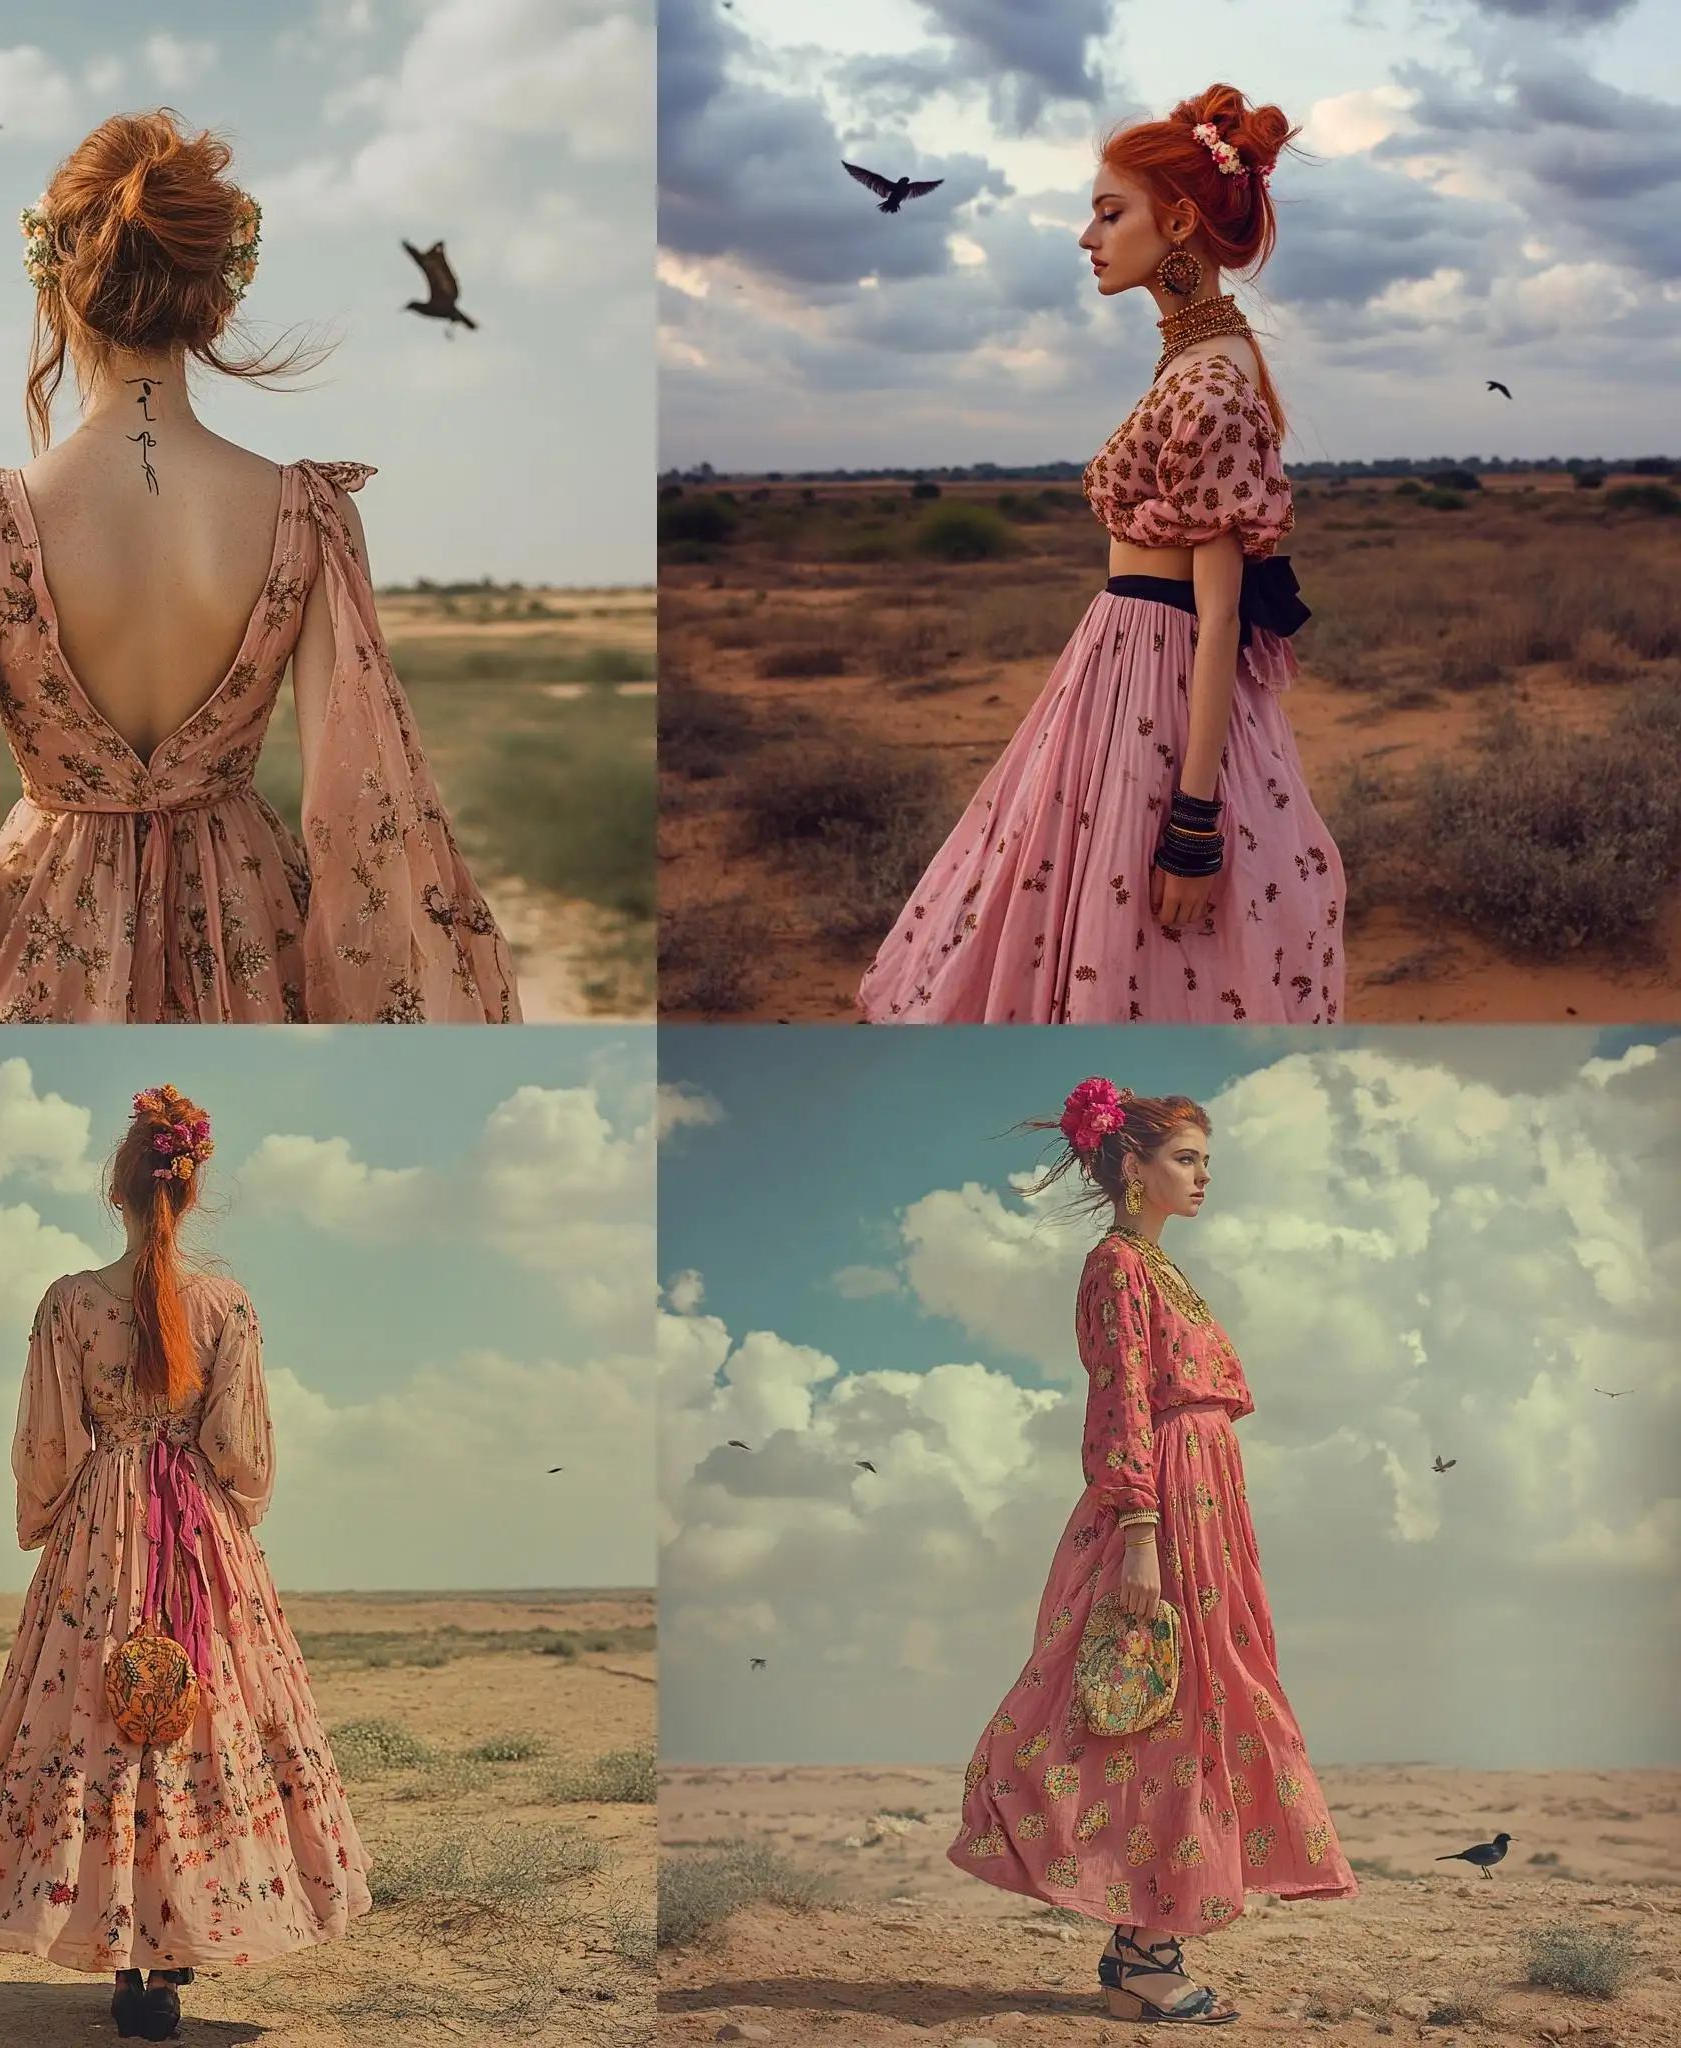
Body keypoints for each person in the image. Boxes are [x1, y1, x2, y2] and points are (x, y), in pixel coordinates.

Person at [0, 109, 519, 1026]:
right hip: (254, 932)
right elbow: (354, 808)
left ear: (55, 280)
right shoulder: (313, 515)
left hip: (41, 947)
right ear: (220, 292)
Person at [857, 86, 1342, 1026]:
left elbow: (1222, 619)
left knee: (1130, 943)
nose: (1088, 237)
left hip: (1152, 685)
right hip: (1122, 671)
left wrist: (1195, 825)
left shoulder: (1210, 381)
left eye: (1108, 212)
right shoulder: (1199, 357)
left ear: (1180, 220)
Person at [0, 1085, 369, 2040]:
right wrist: (229, 1520)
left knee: (100, 1719)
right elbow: (240, 1452)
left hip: (101, 1529)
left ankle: (129, 1961)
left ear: (119, 1192)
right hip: (198, 1539)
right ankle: (173, 1953)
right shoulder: (228, 1304)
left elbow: (47, 1448)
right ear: (193, 1185)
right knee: (203, 1717)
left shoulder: (68, 1304)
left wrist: (59, 1519)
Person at [946, 1078, 1356, 2024]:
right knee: (1155, 1709)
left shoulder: (1163, 1267)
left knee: (1209, 1699)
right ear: (1132, 1167)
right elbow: (1121, 1398)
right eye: (1186, 1159)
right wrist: (1139, 1530)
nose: (1205, 1177)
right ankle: (1144, 1948)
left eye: (1208, 1161)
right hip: (1162, 1501)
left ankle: (1143, 1940)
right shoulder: (1117, 1266)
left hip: (1206, 1501)